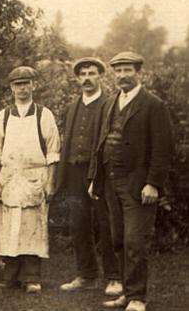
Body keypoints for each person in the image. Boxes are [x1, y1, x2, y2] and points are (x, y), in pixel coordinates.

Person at [91, 52, 174, 311]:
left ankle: (138, 297)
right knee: (118, 239)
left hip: (138, 185)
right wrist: (95, 177)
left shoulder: (153, 104)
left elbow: (163, 148)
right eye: (119, 71)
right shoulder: (110, 103)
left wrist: (153, 183)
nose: (123, 75)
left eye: (128, 70)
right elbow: (100, 142)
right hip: (110, 183)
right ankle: (127, 294)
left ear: (139, 72)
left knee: (136, 241)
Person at [0, 66, 60, 294]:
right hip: (9, 178)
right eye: (17, 84)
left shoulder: (43, 114)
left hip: (34, 178)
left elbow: (53, 152)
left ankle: (32, 278)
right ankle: (9, 278)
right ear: (11, 88)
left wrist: (50, 182)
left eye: (26, 83)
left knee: (33, 227)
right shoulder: (3, 116)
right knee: (9, 227)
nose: (22, 88)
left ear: (33, 85)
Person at [56, 57, 121, 296]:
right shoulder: (73, 106)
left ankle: (114, 277)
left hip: (101, 173)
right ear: (77, 78)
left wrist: (98, 175)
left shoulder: (110, 104)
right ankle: (87, 275)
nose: (86, 78)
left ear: (100, 76)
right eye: (82, 74)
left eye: (91, 73)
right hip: (74, 171)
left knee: (106, 224)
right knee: (78, 225)